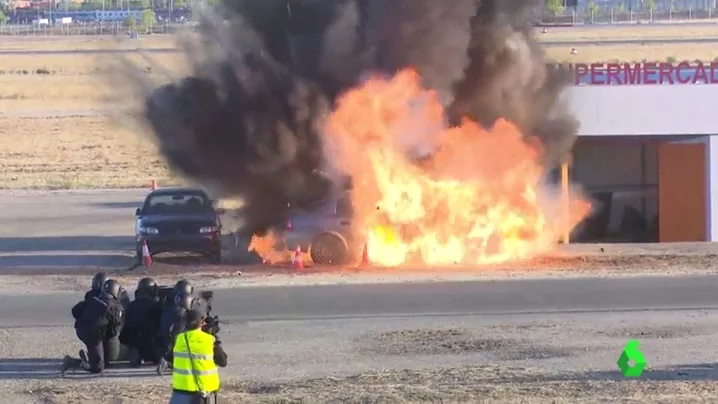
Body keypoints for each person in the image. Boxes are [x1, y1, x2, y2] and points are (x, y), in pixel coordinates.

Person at [62, 279, 125, 375]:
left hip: (81, 329)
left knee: (103, 361)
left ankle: (86, 360)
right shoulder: (115, 307)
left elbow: (75, 310)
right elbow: (114, 330)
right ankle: (72, 363)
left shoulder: (94, 298)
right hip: (94, 335)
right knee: (98, 367)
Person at [169, 309, 227, 404]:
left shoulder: (178, 339)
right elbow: (223, 361)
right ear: (201, 323)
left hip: (180, 393)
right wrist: (213, 335)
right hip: (203, 394)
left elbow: (170, 358)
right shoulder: (210, 340)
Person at [119, 277, 162, 367]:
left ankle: (135, 352)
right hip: (151, 345)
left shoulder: (131, 306)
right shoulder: (156, 307)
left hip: (134, 343)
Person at [156, 293, 196, 375]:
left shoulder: (168, 311)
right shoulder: (184, 315)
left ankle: (168, 361)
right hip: (176, 345)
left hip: (162, 344)